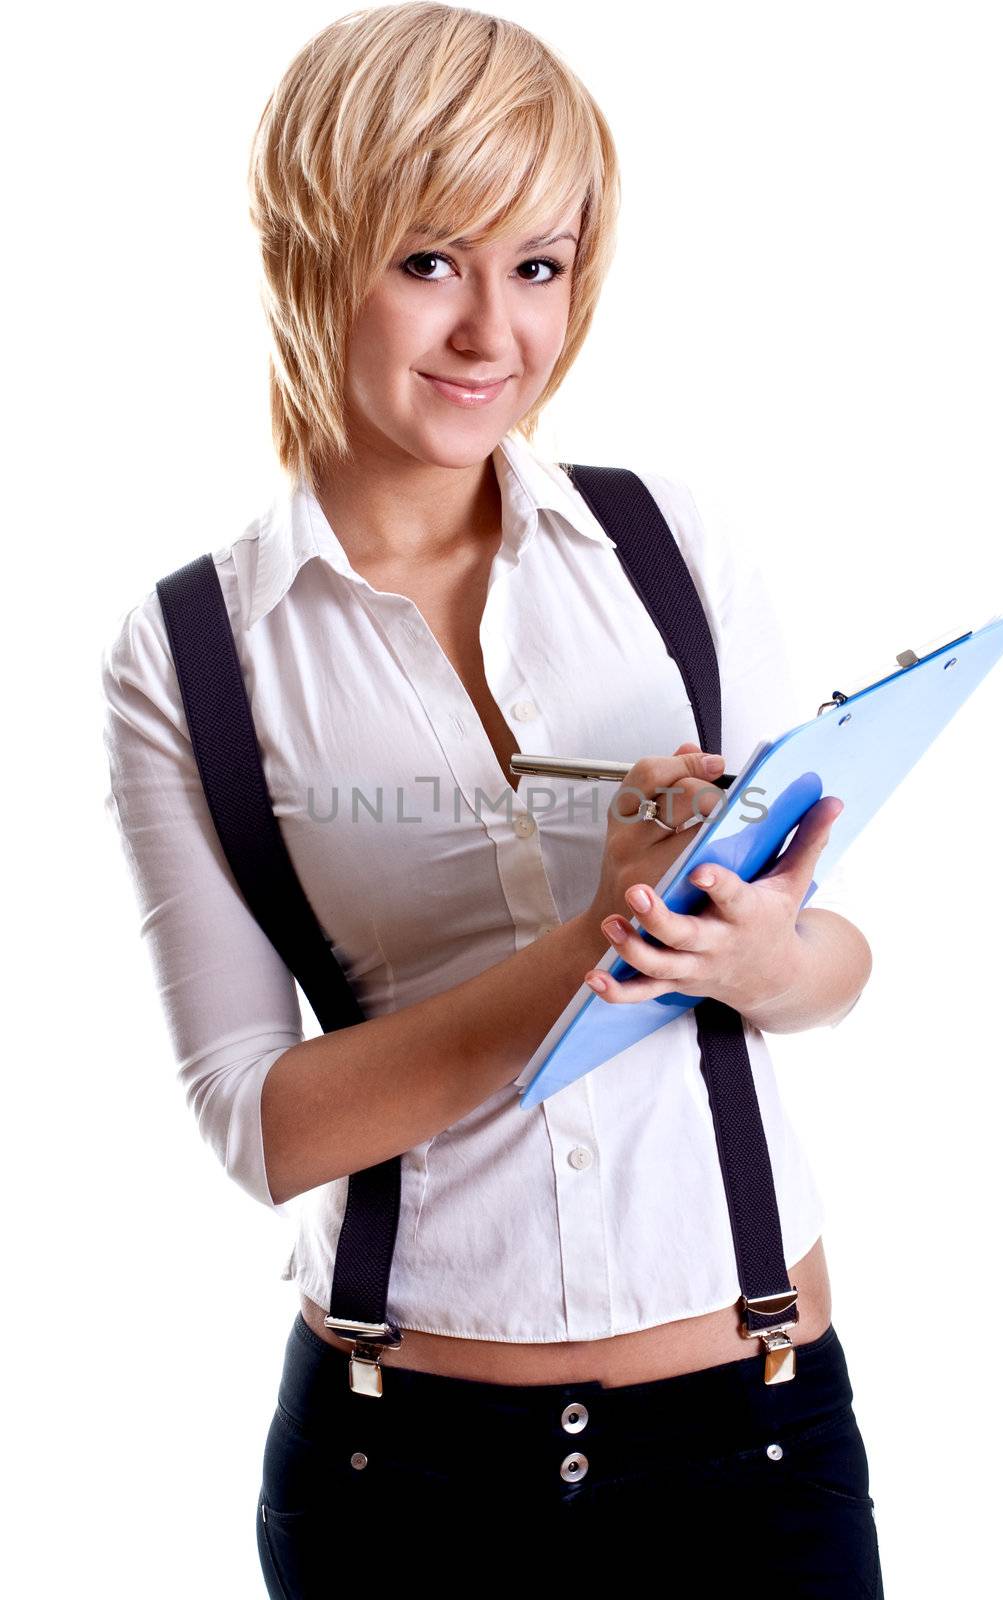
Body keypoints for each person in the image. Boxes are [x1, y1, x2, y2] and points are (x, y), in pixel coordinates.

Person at [100, 4, 884, 1591]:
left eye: (537, 266)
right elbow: (260, 1124)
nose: (491, 335)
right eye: (429, 260)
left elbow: (830, 956)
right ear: (310, 252)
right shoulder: (189, 652)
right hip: (406, 1479)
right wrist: (607, 932)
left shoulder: (667, 549)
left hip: (763, 1446)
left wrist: (748, 956)